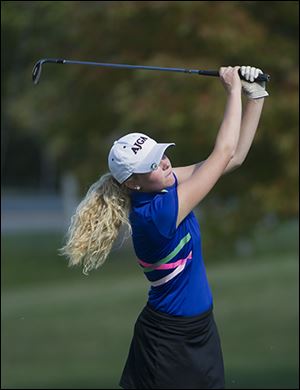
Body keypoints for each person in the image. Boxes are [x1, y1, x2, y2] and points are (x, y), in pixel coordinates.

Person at [60, 65, 268, 389]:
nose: (165, 163)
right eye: (152, 165)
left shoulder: (163, 185)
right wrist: (232, 90)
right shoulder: (155, 216)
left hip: (201, 331)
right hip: (168, 345)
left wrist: (255, 95)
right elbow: (223, 151)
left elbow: (235, 157)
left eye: (160, 154)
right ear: (132, 183)